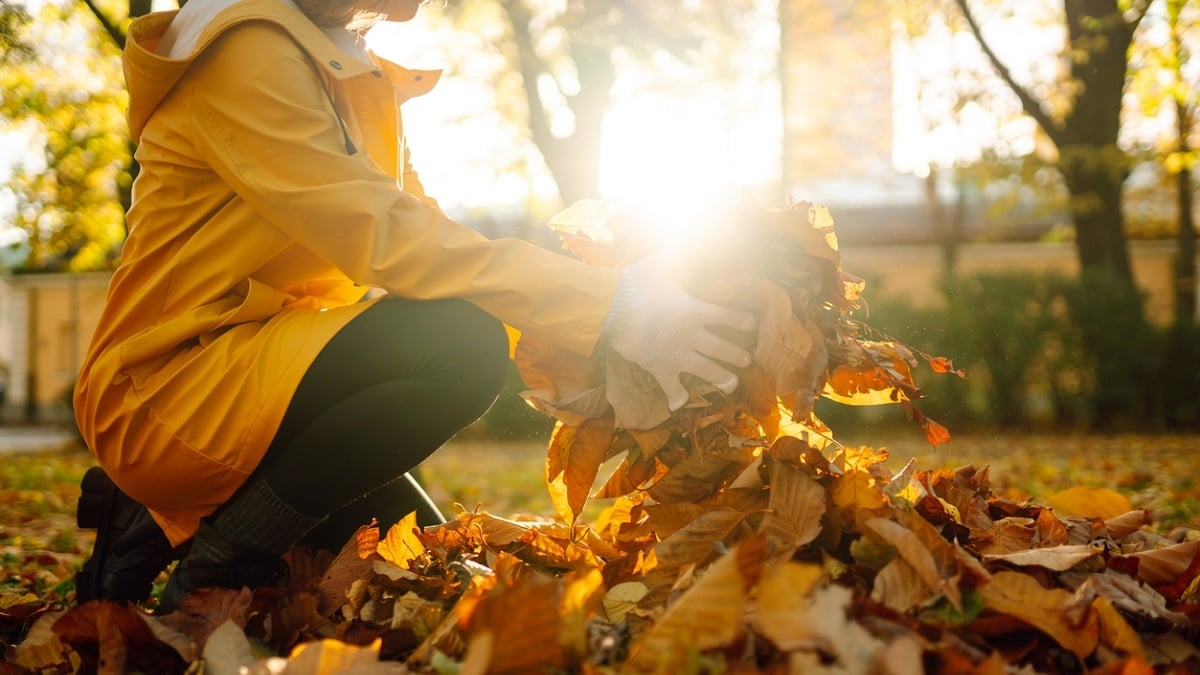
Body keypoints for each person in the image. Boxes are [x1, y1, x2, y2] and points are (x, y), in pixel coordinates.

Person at [73, 0, 755, 614]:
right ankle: (220, 564)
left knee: (426, 562)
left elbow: (423, 231)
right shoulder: (246, 49)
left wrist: (581, 338)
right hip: (166, 388)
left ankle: (142, 513)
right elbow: (381, 236)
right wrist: (608, 306)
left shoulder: (329, 50)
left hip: (259, 374)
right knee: (461, 348)